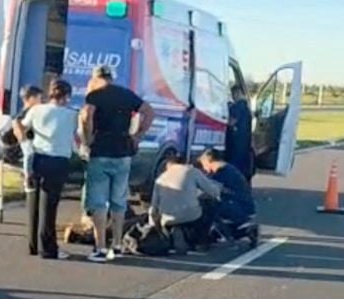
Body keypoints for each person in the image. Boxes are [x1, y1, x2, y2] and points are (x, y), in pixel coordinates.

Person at [79, 64, 155, 262]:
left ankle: (101, 247)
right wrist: (138, 135)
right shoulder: (126, 94)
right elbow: (149, 111)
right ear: (111, 77)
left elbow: (87, 116)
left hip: (101, 150)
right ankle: (118, 244)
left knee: (98, 201)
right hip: (123, 152)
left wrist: (88, 139)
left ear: (96, 78)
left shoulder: (94, 96)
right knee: (119, 201)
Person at [13, 80, 78, 260]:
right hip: (58, 160)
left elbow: (19, 124)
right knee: (49, 206)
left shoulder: (36, 110)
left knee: (33, 201)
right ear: (67, 96)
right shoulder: (72, 114)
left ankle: (32, 245)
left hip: (37, 157)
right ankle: (48, 249)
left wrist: (24, 143)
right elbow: (79, 135)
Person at [149, 152, 223, 252]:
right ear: (185, 162)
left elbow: (153, 209)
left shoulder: (160, 179)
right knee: (212, 203)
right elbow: (214, 192)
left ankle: (170, 235)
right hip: (191, 217)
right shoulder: (192, 171)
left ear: (168, 165)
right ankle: (201, 241)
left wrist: (157, 229)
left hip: (167, 220)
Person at [2, 85, 43, 255]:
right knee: (35, 198)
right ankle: (35, 242)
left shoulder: (23, 113)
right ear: (31, 98)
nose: (41, 101)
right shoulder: (25, 115)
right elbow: (24, 144)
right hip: (27, 158)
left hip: (26, 157)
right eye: (39, 97)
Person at [197, 148, 256, 238]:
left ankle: (203, 237)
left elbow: (211, 192)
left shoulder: (222, 173)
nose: (204, 168)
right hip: (244, 206)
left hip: (238, 207)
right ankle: (244, 231)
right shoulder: (229, 169)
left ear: (210, 160)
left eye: (204, 165)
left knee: (208, 207)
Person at [225, 85, 254, 179]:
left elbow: (231, 122)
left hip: (236, 144)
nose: (233, 97)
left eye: (233, 95)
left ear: (237, 93)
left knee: (234, 168)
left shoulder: (238, 107)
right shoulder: (247, 108)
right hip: (245, 143)